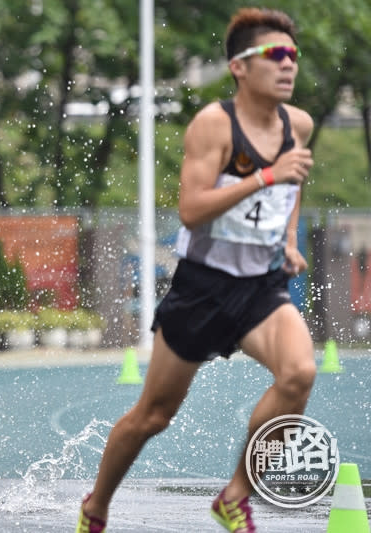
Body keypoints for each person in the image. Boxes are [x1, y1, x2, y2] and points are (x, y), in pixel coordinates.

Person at [76, 8, 315, 533]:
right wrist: (267, 175)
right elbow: (192, 208)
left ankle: (235, 495)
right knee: (153, 417)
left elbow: (293, 185)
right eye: (275, 55)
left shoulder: (298, 124)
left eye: (293, 55)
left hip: (261, 286)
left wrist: (289, 238)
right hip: (202, 287)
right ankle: (96, 507)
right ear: (239, 67)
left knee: (299, 374)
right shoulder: (215, 124)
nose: (288, 65)